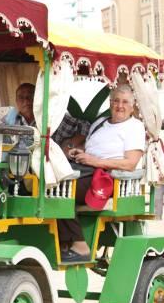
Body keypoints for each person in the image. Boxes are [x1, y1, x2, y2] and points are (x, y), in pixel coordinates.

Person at [58, 84, 146, 262]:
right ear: (110, 102)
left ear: (132, 106)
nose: (119, 106)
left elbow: (130, 163)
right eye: (116, 101)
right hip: (84, 168)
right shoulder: (100, 123)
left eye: (125, 102)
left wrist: (95, 162)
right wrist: (76, 151)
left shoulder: (134, 127)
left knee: (60, 191)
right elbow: (90, 146)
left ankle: (80, 246)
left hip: (108, 178)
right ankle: (63, 242)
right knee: (49, 182)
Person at [7, 82, 91, 153]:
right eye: (21, 97)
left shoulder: (51, 118)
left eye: (31, 96)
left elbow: (85, 126)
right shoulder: (11, 121)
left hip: (46, 168)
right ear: (16, 100)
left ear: (38, 98)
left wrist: (70, 145)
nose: (26, 100)